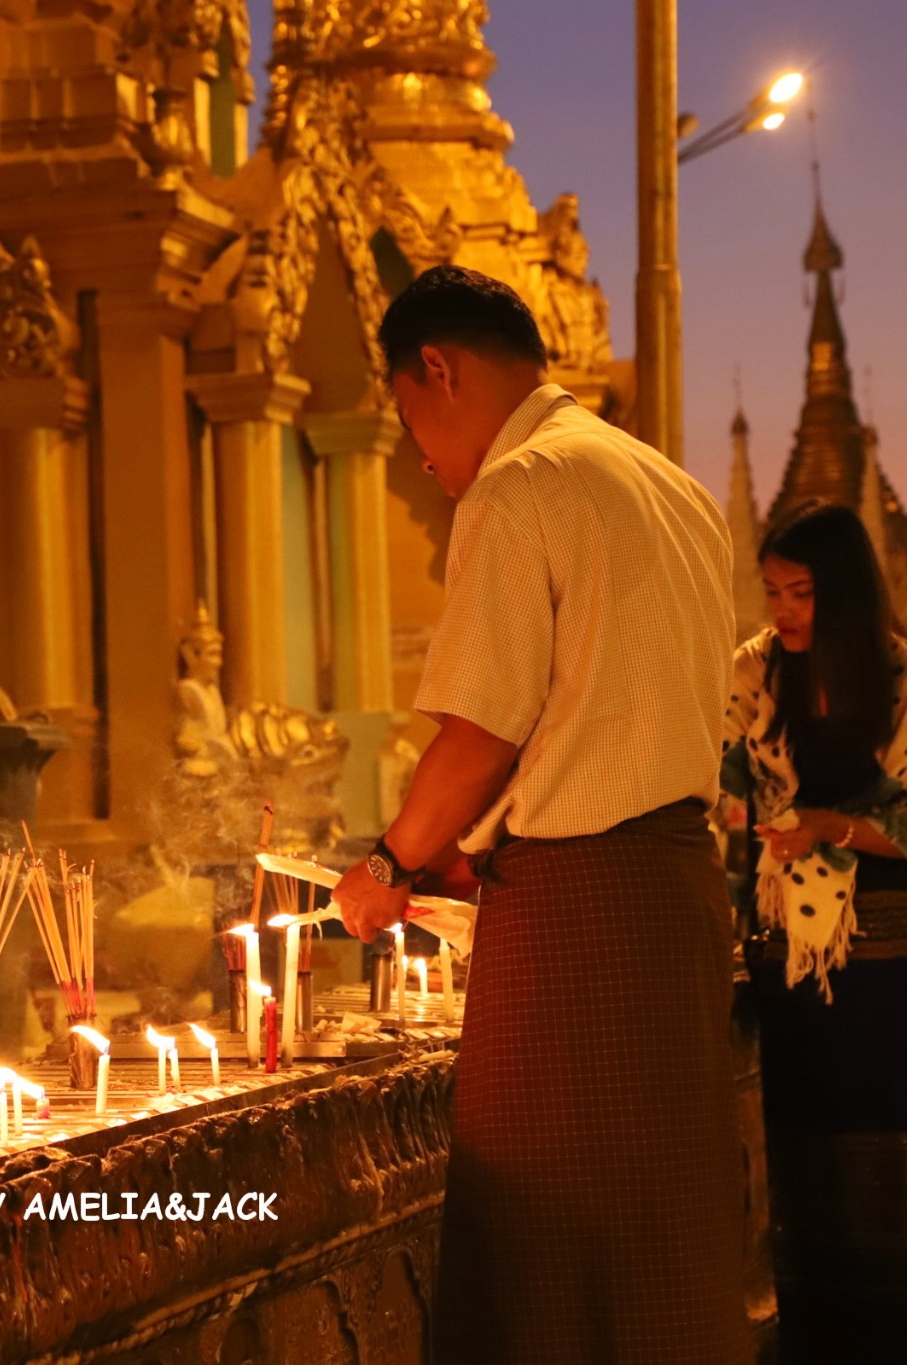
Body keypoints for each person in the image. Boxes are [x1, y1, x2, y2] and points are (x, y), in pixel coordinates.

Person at [335, 266, 747, 1363]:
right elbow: (606, 710)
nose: (417, 453)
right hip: (675, 889)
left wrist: (387, 864)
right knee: (661, 1224)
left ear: (438, 367)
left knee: (540, 1228)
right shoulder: (671, 487)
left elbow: (480, 730)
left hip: (578, 911)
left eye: (409, 414)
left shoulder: (520, 484)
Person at [725, 500, 907, 1362]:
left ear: (849, 595)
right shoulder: (754, 673)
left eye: (802, 592)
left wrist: (830, 826)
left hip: (884, 953)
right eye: (773, 592)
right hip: (791, 949)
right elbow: (724, 783)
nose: (783, 611)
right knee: (809, 1155)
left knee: (892, 1157)